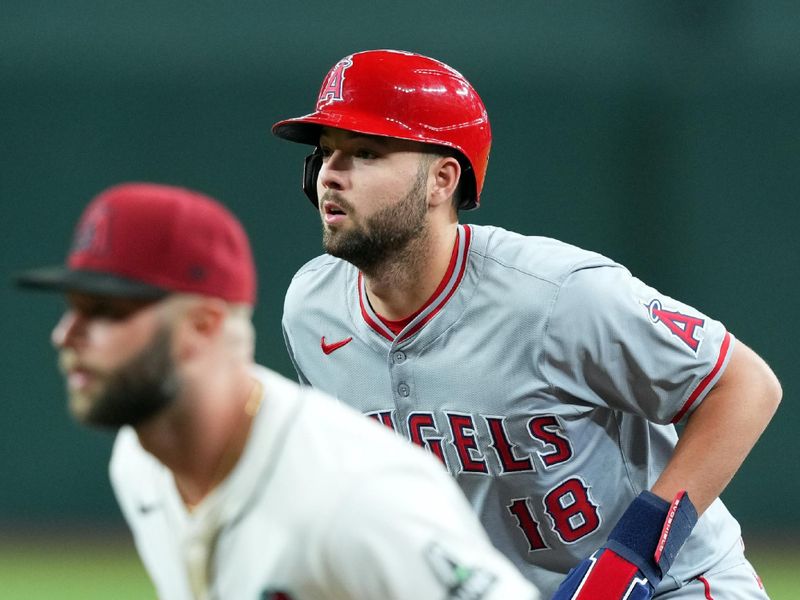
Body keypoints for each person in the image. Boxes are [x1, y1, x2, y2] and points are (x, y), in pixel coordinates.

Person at [271, 49, 783, 599]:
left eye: (366, 153)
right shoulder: (312, 308)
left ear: (442, 179)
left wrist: (634, 555)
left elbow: (745, 385)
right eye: (326, 154)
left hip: (671, 586)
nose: (331, 176)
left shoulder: (558, 295)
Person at [15, 182, 540, 600]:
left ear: (201, 326)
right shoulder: (142, 463)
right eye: (73, 307)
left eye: (106, 312)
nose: (66, 335)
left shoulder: (355, 496)